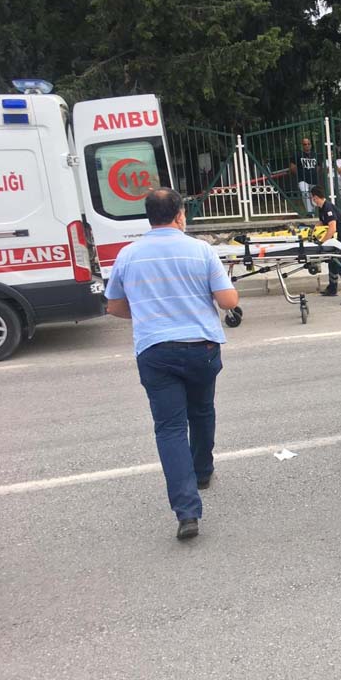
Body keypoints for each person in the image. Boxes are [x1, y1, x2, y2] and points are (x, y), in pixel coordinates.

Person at [104, 188, 239, 541]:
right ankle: (203, 470)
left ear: (149, 217)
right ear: (180, 215)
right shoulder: (200, 250)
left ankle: (187, 512)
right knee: (202, 410)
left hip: (155, 350)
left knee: (169, 428)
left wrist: (150, 312)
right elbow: (227, 300)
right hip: (201, 347)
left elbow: (114, 306)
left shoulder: (129, 255)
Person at [310, 185, 341, 305]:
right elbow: (322, 222)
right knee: (332, 261)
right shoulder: (322, 209)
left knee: (340, 264)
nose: (312, 200)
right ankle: (332, 288)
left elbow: (332, 228)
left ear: (316, 197)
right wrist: (313, 231)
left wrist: (322, 242)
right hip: (336, 240)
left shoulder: (328, 208)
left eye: (313, 198)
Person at [289, 137, 321, 215]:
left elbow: (319, 166)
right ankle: (310, 212)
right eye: (305, 144)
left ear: (311, 145)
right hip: (302, 179)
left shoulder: (315, 154)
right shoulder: (298, 155)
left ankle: (312, 211)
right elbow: (292, 167)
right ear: (302, 145)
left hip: (313, 179)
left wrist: (314, 172)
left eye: (308, 144)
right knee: (305, 193)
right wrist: (300, 174)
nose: (307, 145)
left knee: (313, 196)